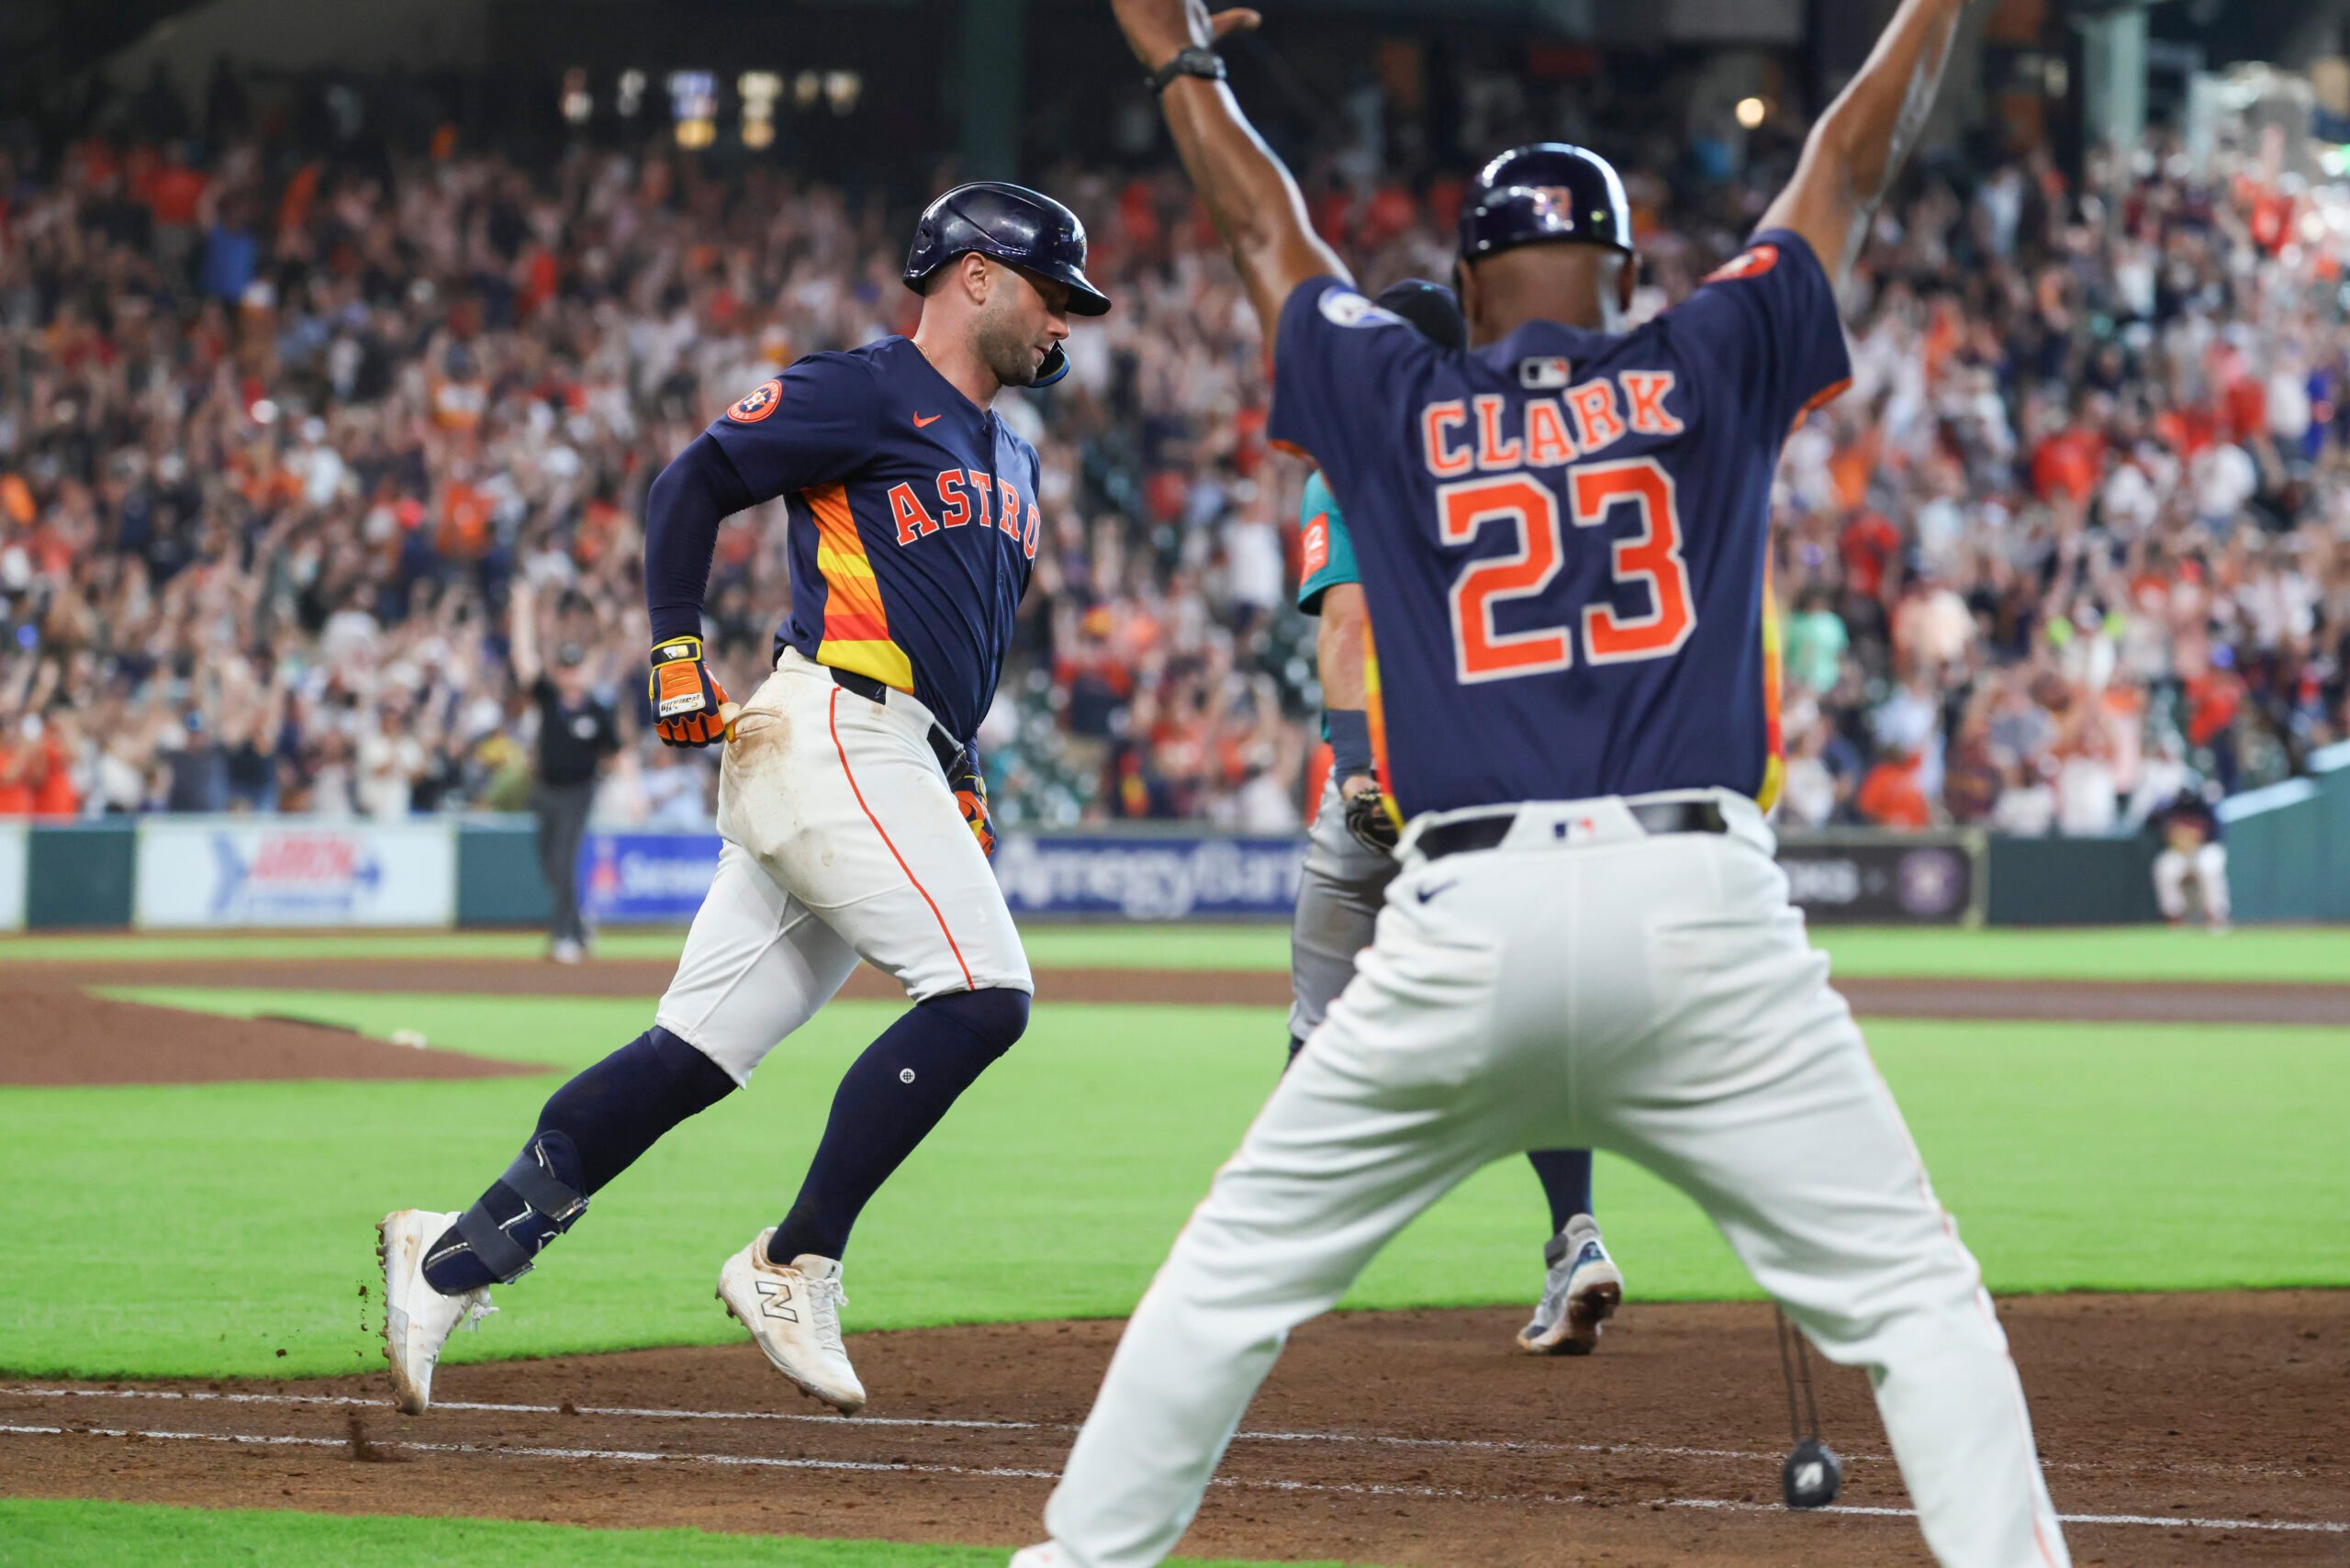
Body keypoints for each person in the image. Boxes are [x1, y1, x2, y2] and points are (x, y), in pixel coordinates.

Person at [1016, 3, 2068, 1566]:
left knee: (1229, 1277)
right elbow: (1847, 156)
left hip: (1464, 913)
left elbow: (1264, 224)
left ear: (1462, 290)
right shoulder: (1705, 354)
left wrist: (1178, 55)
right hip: (1703, 906)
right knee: (1918, 1299)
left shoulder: (1398, 395)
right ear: (1631, 278)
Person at [376, 181, 1109, 1421]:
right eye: (1053, 292)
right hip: (831, 727)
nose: (1066, 324)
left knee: (691, 1056)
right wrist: (673, 646)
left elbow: (954, 637)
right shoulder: (865, 389)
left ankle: (454, 1255)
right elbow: (690, 485)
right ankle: (793, 1259)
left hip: (890, 743)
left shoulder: (1016, 453)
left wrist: (961, 762)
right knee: (985, 996)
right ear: (974, 275)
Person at [1289, 276, 1622, 1357]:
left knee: (1319, 1028)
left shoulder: (1358, 452)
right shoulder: (1524, 451)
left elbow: (1346, 625)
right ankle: (1574, 1235)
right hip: (1503, 785)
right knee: (1530, 1026)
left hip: (1385, 782)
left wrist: (1351, 766)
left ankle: (1260, 1262)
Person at [509, 573, 621, 963]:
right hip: (545, 790)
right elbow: (525, 661)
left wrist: (627, 787)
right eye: (565, 667)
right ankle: (577, 926)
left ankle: (566, 936)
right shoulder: (549, 699)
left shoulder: (596, 709)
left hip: (579, 792)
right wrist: (523, 610)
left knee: (563, 860)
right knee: (549, 864)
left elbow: (614, 753)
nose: (570, 673)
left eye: (575, 667)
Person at [2150, 787, 2230, 931]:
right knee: (2164, 867)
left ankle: (2215, 915)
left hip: (2204, 849)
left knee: (2208, 866)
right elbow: (2154, 823)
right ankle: (2174, 916)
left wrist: (2193, 837)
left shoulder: (2206, 809)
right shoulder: (2173, 809)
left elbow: (2216, 835)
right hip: (2180, 853)